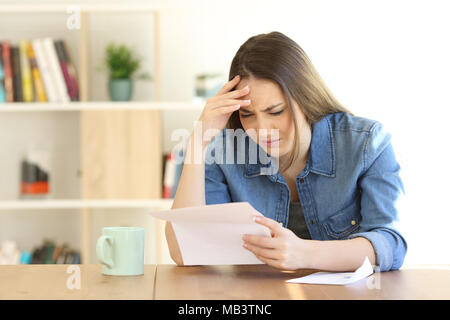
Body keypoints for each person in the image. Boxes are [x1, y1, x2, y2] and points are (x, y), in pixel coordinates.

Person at [166, 31, 407, 272]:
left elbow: (390, 245)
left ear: (305, 98)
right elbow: (185, 252)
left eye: (276, 111)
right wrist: (198, 142)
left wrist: (305, 254)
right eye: (247, 115)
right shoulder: (224, 150)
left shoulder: (366, 143)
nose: (262, 130)